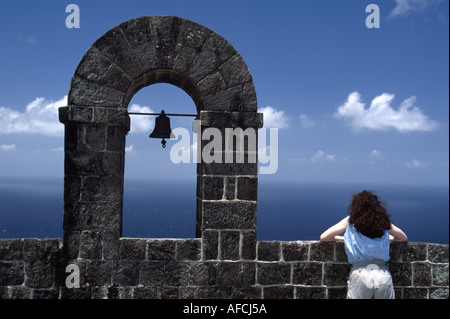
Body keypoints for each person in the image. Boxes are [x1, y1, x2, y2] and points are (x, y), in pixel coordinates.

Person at [320, 190, 407, 299]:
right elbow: (403, 237)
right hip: (382, 274)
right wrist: (388, 239)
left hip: (360, 274)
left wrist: (342, 238)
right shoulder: (383, 222)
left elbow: (324, 237)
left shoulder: (350, 221)